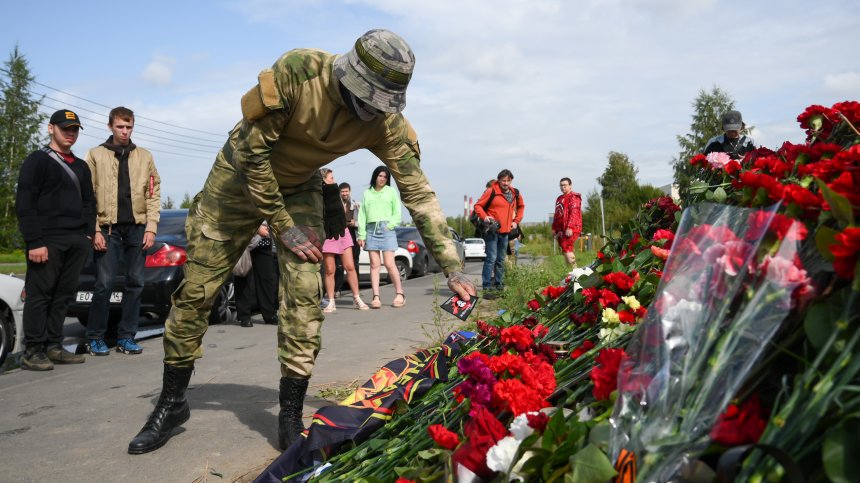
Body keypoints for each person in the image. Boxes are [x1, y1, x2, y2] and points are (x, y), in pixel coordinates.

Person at [127, 29, 476, 455]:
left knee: (306, 295)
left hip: (298, 189)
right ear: (350, 78)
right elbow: (254, 156)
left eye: (380, 104)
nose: (370, 112)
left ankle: (290, 413)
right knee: (197, 291)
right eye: (366, 99)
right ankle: (172, 401)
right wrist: (281, 225)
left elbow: (418, 192)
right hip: (237, 181)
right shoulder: (299, 71)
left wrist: (452, 265)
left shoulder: (385, 123)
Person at [15, 109, 95, 370]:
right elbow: (25, 203)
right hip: (46, 240)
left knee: (63, 295)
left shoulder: (81, 166)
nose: (70, 134)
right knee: (40, 295)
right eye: (65, 128)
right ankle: (33, 350)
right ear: (51, 129)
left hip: (75, 240)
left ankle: (54, 346)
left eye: (74, 130)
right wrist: (35, 241)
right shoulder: (37, 161)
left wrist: (87, 234)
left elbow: (88, 203)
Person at [84, 107, 161, 356]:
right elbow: (88, 196)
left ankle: (126, 336)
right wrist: (94, 230)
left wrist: (151, 227)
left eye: (128, 127)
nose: (125, 131)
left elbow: (153, 193)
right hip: (107, 229)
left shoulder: (144, 156)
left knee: (135, 283)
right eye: (120, 127)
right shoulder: (95, 155)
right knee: (104, 284)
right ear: (110, 127)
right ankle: (95, 337)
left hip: (137, 229)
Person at [356, 166, 404, 309]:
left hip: (386, 229)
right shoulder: (367, 193)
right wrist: (361, 234)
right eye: (380, 176)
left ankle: (400, 293)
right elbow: (362, 215)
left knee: (389, 264)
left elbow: (397, 212)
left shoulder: (391, 192)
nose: (382, 179)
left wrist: (389, 226)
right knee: (374, 265)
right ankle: (376, 296)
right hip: (371, 230)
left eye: (385, 177)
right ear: (375, 176)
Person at [320, 169, 368, 312]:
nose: (334, 180)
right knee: (329, 270)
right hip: (328, 234)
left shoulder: (336, 191)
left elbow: (342, 211)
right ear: (323, 180)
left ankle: (357, 298)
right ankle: (331, 301)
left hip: (342, 232)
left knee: (350, 266)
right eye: (331, 178)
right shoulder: (318, 195)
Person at [473, 169, 525, 298]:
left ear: (511, 181)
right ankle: (487, 289)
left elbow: (521, 206)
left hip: (506, 231)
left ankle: (499, 287)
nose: (505, 183)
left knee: (501, 260)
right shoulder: (491, 191)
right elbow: (478, 206)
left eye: (508, 180)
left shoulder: (515, 193)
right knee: (491, 258)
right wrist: (485, 217)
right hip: (492, 230)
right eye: (503, 180)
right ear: (499, 180)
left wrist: (516, 221)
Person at [235, 222, 279, 327]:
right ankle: (244, 316)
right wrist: (257, 228)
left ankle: (270, 314)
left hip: (264, 241)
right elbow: (239, 216)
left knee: (267, 279)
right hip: (244, 241)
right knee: (243, 278)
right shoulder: (242, 204)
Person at [334, 181, 361, 295]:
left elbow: (362, 222)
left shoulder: (355, 204)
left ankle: (356, 290)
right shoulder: (335, 205)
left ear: (350, 192)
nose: (345, 193)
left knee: (354, 264)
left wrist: (355, 223)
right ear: (339, 192)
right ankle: (337, 289)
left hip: (352, 235)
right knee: (339, 265)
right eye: (342, 191)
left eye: (346, 191)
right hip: (339, 236)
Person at [552, 177, 583, 267]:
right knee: (564, 248)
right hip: (561, 228)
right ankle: (570, 273)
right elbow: (557, 214)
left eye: (565, 185)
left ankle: (576, 272)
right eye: (561, 185)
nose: (563, 187)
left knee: (567, 247)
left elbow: (574, 212)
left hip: (571, 227)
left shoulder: (574, 197)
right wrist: (553, 228)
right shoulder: (559, 198)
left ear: (570, 186)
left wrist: (570, 227)